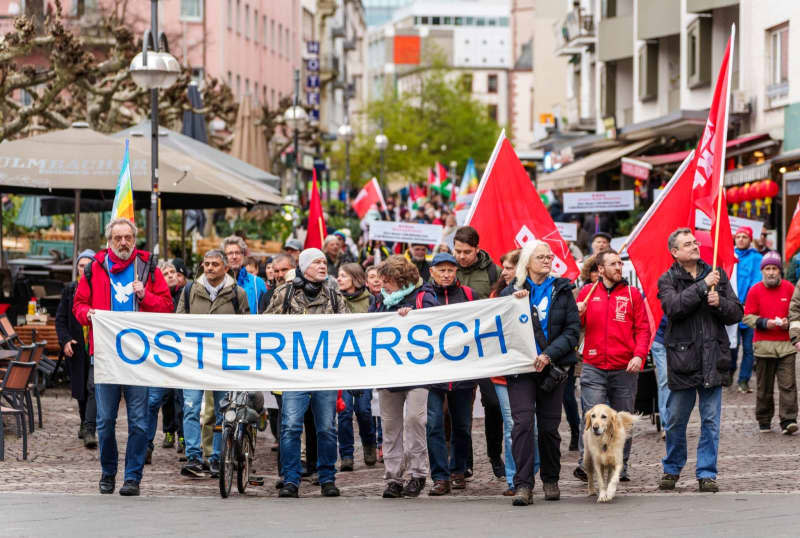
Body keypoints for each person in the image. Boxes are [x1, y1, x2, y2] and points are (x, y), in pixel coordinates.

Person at [73, 218, 173, 496]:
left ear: (134, 239)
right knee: (105, 422)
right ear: (109, 241)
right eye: (118, 238)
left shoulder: (148, 267)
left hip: (138, 358)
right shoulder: (94, 268)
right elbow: (79, 305)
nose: (123, 243)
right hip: (105, 357)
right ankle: (108, 472)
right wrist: (88, 315)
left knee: (139, 422)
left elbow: (167, 306)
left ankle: (132, 477)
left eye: (128, 237)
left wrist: (146, 296)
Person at [657, 228, 743, 493]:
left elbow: (737, 312)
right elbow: (674, 307)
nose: (695, 246)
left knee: (710, 421)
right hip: (683, 359)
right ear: (675, 252)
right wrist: (703, 287)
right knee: (675, 421)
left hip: (712, 359)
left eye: (695, 242)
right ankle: (671, 468)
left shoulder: (716, 273)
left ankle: (707, 473)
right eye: (688, 244)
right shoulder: (668, 278)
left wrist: (720, 304)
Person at [501, 240, 580, 506]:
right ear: (527, 262)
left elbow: (572, 330)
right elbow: (496, 325)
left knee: (548, 428)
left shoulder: (562, 289)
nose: (547, 260)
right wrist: (512, 303)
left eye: (549, 256)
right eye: (541, 257)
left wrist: (549, 355)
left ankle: (550, 478)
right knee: (522, 425)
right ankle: (523, 484)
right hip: (521, 370)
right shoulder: (511, 291)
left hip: (551, 367)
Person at [265, 248, 349, 498]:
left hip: (324, 373)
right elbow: (267, 325)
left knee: (326, 427)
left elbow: (348, 328)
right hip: (294, 372)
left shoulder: (335, 297)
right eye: (317, 262)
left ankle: (327, 478)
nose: (323, 266)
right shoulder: (285, 293)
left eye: (325, 262)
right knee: (290, 426)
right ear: (303, 266)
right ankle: (291, 480)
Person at [573, 250, 650, 483]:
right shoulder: (588, 292)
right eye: (613, 264)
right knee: (591, 418)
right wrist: (577, 315)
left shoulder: (631, 293)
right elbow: (574, 327)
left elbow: (643, 329)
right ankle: (585, 462)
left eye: (620, 263)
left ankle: (621, 464)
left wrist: (639, 355)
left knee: (621, 420)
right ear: (600, 270)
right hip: (594, 366)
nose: (619, 267)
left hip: (624, 368)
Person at [173, 249, 250, 479]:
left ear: (225, 267)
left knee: (222, 411)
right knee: (191, 408)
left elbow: (247, 327)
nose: (209, 268)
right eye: (206, 264)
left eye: (215, 264)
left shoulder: (238, 294)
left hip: (223, 362)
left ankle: (218, 457)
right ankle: (194, 456)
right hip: (194, 361)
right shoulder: (190, 291)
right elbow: (179, 321)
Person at [370, 255, 437, 498]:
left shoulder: (423, 296)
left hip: (418, 373)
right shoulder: (379, 301)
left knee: (415, 421)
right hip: (389, 372)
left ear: (402, 279)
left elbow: (435, 321)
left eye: (388, 281)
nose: (383, 285)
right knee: (390, 426)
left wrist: (415, 316)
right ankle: (393, 478)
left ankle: (418, 473)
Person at [415, 252, 478, 495]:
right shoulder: (422, 297)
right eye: (441, 270)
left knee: (462, 425)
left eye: (450, 270)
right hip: (433, 373)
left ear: (456, 272)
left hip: (463, 373)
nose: (446, 274)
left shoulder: (469, 295)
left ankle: (458, 470)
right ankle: (440, 476)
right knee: (434, 425)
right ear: (431, 272)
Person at [451, 225, 503, 479]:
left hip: (487, 348)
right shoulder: (446, 270)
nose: (461, 256)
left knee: (493, 403)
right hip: (457, 351)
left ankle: (495, 455)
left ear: (477, 250)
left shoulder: (493, 271)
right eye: (457, 251)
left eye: (466, 252)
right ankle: (464, 462)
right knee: (459, 409)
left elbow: (504, 299)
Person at [490, 249, 540, 496]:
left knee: (532, 426)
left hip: (530, 369)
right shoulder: (497, 294)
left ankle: (531, 466)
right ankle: (515, 478)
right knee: (513, 425)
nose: (505, 272)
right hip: (503, 373)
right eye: (504, 268)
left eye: (510, 267)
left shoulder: (534, 294)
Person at [747, 251, 796, 434]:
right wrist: (763, 322)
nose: (771, 272)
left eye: (774, 268)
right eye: (767, 268)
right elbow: (748, 317)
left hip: (786, 346)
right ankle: (764, 419)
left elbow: (797, 313)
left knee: (788, 385)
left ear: (780, 271)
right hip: (763, 346)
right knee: (764, 387)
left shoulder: (790, 288)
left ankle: (788, 420)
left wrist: (788, 323)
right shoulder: (755, 290)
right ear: (762, 271)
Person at [335, 262, 377, 471]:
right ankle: (347, 454)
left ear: (355, 278)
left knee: (363, 409)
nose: (339, 279)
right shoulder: (334, 301)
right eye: (338, 276)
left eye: (343, 276)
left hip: (363, 363)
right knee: (344, 412)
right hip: (341, 363)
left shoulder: (371, 300)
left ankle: (369, 444)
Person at [55, 249, 97, 449]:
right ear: (77, 268)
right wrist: (65, 341)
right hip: (77, 347)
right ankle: (84, 421)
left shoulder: (100, 290)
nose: (85, 270)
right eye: (82, 266)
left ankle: (90, 428)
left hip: (97, 348)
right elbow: (60, 320)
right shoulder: (70, 290)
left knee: (93, 387)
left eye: (88, 266)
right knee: (81, 388)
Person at [732, 226, 763, 392]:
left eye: (745, 236)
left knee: (749, 349)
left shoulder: (757, 258)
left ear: (750, 239)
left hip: (750, 311)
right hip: (731, 310)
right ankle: (729, 371)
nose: (741, 239)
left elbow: (756, 282)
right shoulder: (730, 256)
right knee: (732, 346)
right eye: (738, 236)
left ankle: (743, 380)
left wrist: (747, 304)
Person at [221, 235, 268, 315]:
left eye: (238, 253)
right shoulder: (216, 283)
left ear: (243, 255)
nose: (234, 257)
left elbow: (266, 313)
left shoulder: (257, 283)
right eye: (230, 253)